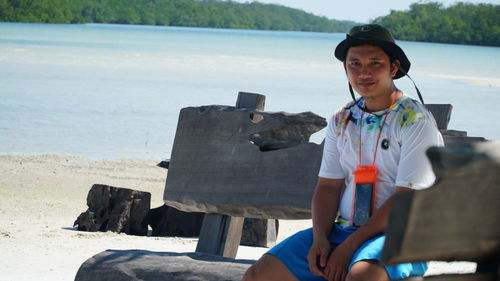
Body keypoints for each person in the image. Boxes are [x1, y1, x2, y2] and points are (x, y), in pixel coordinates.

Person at [242, 24, 444, 281]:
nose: (364, 72)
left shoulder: (414, 121)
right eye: (355, 64)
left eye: (375, 63)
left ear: (393, 68)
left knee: (361, 276)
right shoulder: (342, 119)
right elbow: (328, 187)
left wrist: (348, 249)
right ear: (345, 68)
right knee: (258, 275)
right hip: (345, 230)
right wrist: (320, 239)